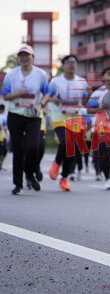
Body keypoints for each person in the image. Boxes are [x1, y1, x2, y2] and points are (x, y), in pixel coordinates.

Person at [1, 44, 49, 195]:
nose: (24, 58)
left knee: (33, 147)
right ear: (18, 58)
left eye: (27, 55)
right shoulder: (11, 75)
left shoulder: (41, 74)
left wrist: (41, 105)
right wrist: (17, 93)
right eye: (21, 55)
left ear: (33, 57)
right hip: (15, 115)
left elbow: (47, 93)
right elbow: (5, 95)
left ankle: (29, 173)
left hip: (33, 116)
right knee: (18, 150)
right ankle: (18, 184)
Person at [47, 55, 89, 192]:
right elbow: (48, 96)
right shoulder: (55, 81)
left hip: (75, 118)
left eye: (74, 62)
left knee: (73, 149)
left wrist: (89, 95)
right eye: (69, 62)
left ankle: (64, 178)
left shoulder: (82, 82)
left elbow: (84, 101)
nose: (72, 65)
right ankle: (57, 163)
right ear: (63, 65)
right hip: (59, 117)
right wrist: (54, 99)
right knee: (65, 143)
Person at [0, 104, 8, 170]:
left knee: (4, 151)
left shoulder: (4, 117)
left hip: (2, 137)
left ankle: (1, 164)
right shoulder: (2, 117)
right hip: (1, 137)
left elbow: (6, 127)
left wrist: (3, 128)